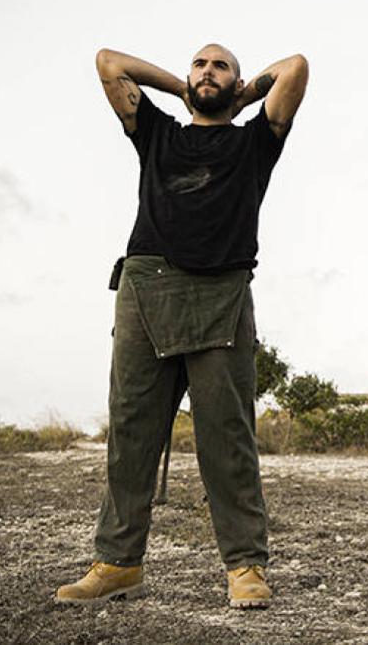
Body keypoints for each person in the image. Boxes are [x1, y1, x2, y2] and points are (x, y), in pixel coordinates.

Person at [55, 44, 308, 609]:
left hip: (221, 289)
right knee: (131, 432)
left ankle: (245, 567)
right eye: (201, 64)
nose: (208, 72)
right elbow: (106, 61)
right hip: (146, 285)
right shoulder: (158, 132)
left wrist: (245, 97)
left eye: (221, 67)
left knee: (227, 436)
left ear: (239, 84)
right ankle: (118, 564)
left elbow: (294, 68)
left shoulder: (253, 142)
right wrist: (180, 88)